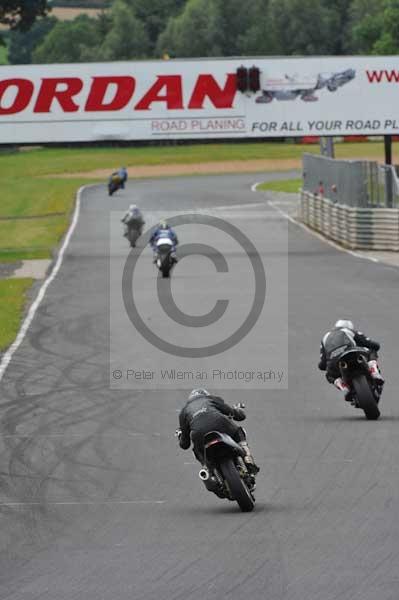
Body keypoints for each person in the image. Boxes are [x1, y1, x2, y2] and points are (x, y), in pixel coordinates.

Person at [176, 389, 259, 475]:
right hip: (220, 423)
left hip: (199, 434)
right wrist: (238, 411)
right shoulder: (210, 399)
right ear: (205, 394)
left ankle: (207, 471)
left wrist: (180, 436)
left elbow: (185, 444)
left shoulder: (183, 412)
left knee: (197, 450)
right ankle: (247, 457)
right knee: (238, 431)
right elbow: (233, 413)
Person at [318, 319, 384, 401]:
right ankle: (374, 371)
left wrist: (327, 365)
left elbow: (322, 364)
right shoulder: (348, 330)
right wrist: (375, 346)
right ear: (350, 327)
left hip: (335, 361)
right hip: (351, 353)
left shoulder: (325, 337)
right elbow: (370, 343)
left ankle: (344, 388)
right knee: (371, 351)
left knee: (329, 375)